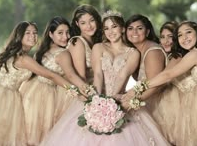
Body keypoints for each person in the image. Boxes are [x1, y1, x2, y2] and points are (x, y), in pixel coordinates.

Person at [40, 10, 170, 146]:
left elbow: (123, 75)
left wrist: (112, 103)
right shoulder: (98, 47)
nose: (110, 31)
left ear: (122, 29)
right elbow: (97, 74)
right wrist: (97, 100)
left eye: (114, 27)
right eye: (106, 28)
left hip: (119, 98)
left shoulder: (133, 53)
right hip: (96, 97)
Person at [123, 20, 197, 145]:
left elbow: (168, 75)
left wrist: (138, 88)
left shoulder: (195, 53)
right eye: (180, 35)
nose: (184, 38)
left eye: (188, 32)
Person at [0, 21, 73, 146]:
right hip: (5, 98)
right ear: (19, 35)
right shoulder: (24, 59)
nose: (32, 36)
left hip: (0, 91)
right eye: (27, 33)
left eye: (35, 33)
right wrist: (74, 89)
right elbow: (50, 75)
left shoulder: (19, 54)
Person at [19, 17, 88, 145]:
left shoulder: (41, 51)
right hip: (46, 96)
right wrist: (87, 91)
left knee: (30, 132)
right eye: (60, 33)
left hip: (31, 91)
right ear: (51, 34)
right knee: (44, 134)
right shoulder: (63, 53)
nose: (65, 37)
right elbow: (72, 76)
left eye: (67, 32)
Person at [124, 14, 167, 114]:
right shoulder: (134, 52)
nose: (134, 32)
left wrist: (132, 102)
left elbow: (155, 86)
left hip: (158, 102)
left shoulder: (153, 52)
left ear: (147, 32)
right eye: (130, 28)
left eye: (139, 28)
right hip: (145, 99)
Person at [67, 4, 102, 85]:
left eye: (92, 20)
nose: (89, 26)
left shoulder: (99, 42)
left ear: (97, 20)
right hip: (87, 91)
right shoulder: (77, 42)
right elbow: (81, 78)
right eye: (83, 23)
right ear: (77, 23)